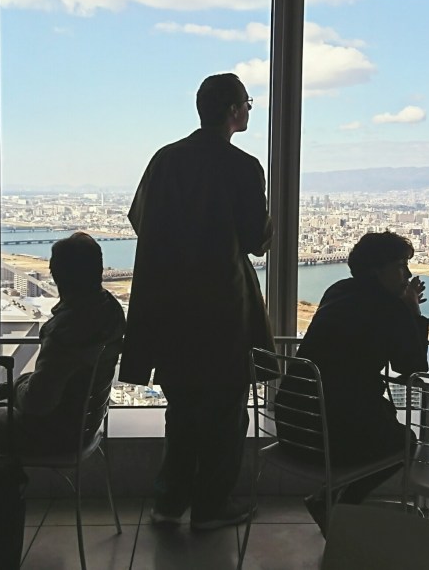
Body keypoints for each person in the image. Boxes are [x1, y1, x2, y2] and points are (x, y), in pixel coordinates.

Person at [119, 72, 274, 530]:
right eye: (247, 103)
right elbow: (256, 241)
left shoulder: (165, 159)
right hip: (223, 308)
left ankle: (169, 502)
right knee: (226, 411)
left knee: (183, 408)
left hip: (168, 306)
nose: (248, 109)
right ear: (233, 111)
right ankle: (211, 506)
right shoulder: (243, 166)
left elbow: (139, 219)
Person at [275, 231, 429, 532]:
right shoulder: (391, 307)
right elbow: (412, 368)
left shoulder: (337, 290)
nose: (408, 274)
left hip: (292, 427)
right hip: (332, 439)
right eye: (400, 266)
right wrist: (413, 310)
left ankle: (332, 505)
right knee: (406, 442)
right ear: (377, 269)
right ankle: (337, 504)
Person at [0, 232, 125, 452]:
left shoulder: (66, 330)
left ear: (57, 276)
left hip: (54, 432)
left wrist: (19, 385)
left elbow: (37, 403)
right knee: (2, 394)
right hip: (85, 425)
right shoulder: (111, 310)